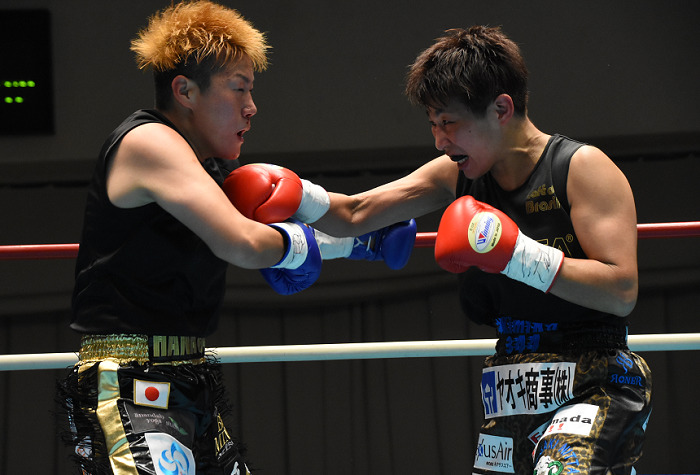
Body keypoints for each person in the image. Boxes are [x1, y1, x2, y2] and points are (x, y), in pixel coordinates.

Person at [228, 26, 652, 474]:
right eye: (433, 124)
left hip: (594, 381)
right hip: (511, 384)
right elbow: (356, 213)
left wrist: (515, 254)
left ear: (501, 109)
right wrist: (298, 195)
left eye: (448, 123)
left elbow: (621, 291)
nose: (439, 141)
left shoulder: (581, 168)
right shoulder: (455, 174)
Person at [56, 2, 415, 474]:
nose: (252, 106)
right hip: (128, 382)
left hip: (189, 374)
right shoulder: (149, 142)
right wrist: (300, 246)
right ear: (185, 91)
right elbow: (243, 243)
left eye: (251, 90)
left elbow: (344, 212)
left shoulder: (211, 170)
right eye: (239, 88)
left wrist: (367, 236)